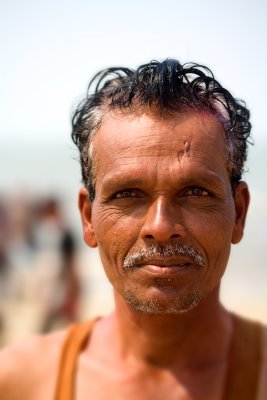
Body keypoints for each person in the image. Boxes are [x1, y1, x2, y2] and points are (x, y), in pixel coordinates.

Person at [0, 58, 266, 399]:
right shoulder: (19, 382)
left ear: (239, 213)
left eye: (196, 192)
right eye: (128, 194)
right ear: (87, 218)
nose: (161, 226)